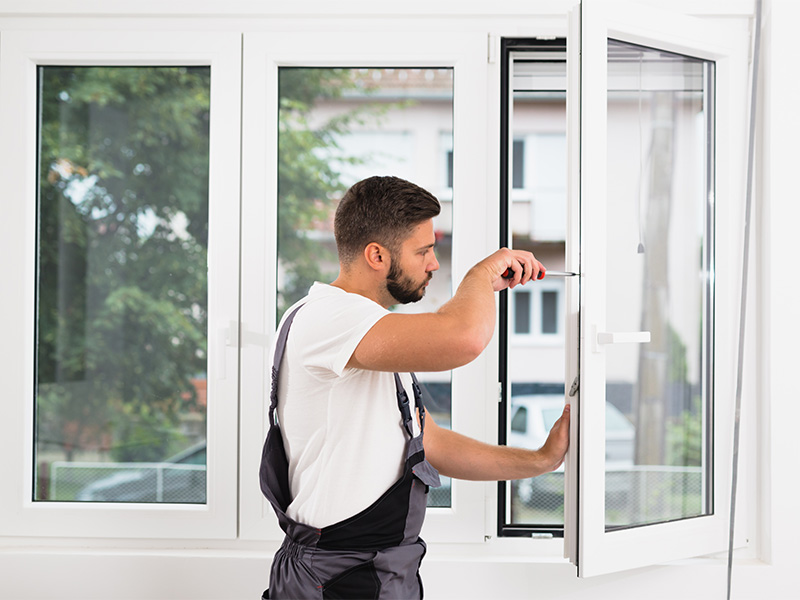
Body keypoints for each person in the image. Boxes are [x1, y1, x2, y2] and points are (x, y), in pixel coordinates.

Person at [259, 175, 570, 599]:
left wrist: (541, 460)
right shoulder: (328, 319)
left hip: (376, 570)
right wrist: (481, 276)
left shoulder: (369, 333)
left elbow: (428, 443)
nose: (433, 263)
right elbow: (464, 338)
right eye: (423, 251)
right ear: (376, 255)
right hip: (337, 580)